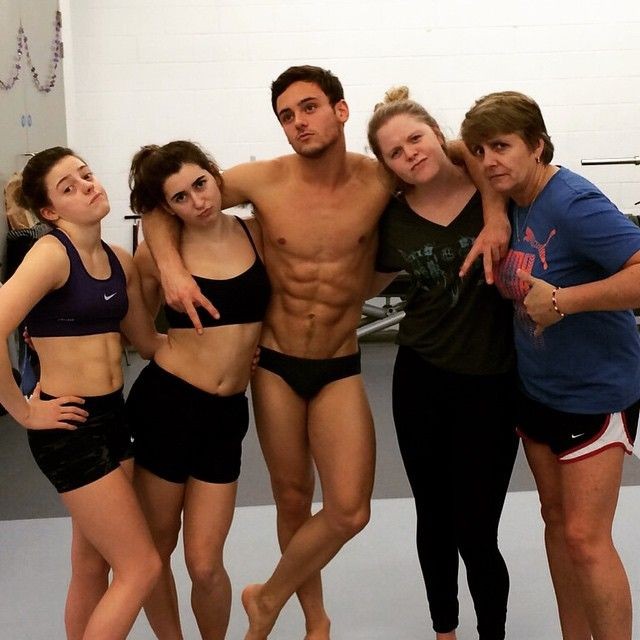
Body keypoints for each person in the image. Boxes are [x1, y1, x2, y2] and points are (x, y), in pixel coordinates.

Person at [142, 66, 507, 640]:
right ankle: (315, 622)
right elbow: (162, 200)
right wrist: (168, 266)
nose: (298, 123)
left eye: (309, 107)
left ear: (340, 111)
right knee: (292, 498)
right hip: (276, 363)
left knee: (349, 510)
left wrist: (496, 213)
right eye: (286, 116)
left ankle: (267, 596)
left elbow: (467, 151)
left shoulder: (379, 176)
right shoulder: (261, 180)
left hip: (339, 362)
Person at [460, 91, 640, 640]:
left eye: (502, 146)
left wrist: (564, 300)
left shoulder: (573, 203)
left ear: (537, 146)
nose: (489, 161)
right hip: (537, 390)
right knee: (557, 524)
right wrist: (493, 208)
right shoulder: (514, 195)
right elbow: (446, 148)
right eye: (481, 150)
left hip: (595, 393)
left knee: (586, 538)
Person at [366, 87, 519, 640]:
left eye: (416, 138)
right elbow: (355, 281)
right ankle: (444, 631)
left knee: (477, 530)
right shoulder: (392, 219)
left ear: (438, 134)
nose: (410, 153)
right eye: (395, 151)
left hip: (493, 383)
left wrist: (495, 212)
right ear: (387, 166)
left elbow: (484, 154)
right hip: (421, 377)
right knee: (433, 516)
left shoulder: (494, 190)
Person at [0, 147, 163, 640]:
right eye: (68, 187)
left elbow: (149, 342)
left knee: (93, 565)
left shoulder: (118, 260)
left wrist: (228, 350)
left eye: (86, 175)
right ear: (50, 211)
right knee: (141, 567)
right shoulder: (52, 254)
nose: (88, 186)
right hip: (69, 428)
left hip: (113, 418)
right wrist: (22, 411)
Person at [126, 140, 269, 640]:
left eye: (200, 184)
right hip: (168, 406)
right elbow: (140, 334)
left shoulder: (254, 233)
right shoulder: (157, 254)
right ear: (167, 208)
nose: (198, 201)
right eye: (180, 198)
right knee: (155, 551)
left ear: (214, 174)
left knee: (206, 563)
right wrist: (170, 345)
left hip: (226, 415)